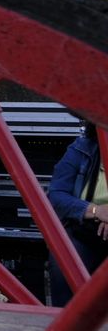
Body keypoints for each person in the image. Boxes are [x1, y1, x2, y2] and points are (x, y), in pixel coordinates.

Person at [45, 124, 106, 306]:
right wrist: (96, 211)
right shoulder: (82, 149)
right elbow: (56, 195)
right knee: (65, 260)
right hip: (85, 229)